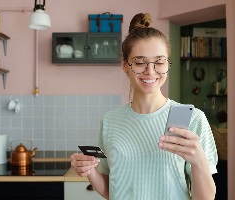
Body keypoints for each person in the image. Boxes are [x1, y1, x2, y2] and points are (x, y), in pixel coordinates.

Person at [71, 13, 218, 200]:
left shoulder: (193, 119)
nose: (150, 71)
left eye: (159, 62)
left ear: (167, 64)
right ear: (125, 64)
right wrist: (90, 171)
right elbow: (112, 190)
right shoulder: (110, 120)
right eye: (140, 62)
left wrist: (198, 161)